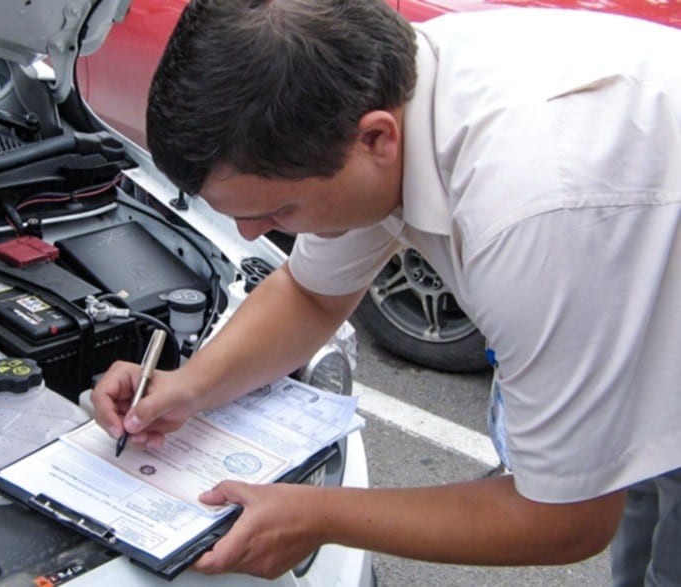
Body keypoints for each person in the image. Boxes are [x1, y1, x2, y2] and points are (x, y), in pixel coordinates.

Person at [90, 0, 681, 583]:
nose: (250, 235)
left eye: (277, 209)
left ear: (377, 139)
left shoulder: (529, 212)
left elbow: (566, 520)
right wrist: (188, 387)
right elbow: (311, 294)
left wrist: (317, 516)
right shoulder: (387, 92)